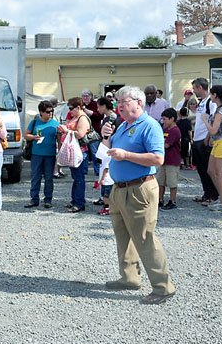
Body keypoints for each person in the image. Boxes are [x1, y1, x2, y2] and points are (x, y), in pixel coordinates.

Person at [100, 85, 176, 305]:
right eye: (118, 103)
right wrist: (106, 138)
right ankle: (130, 278)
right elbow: (110, 152)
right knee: (123, 236)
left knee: (144, 237)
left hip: (139, 188)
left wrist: (126, 155)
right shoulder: (124, 126)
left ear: (139, 102)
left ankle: (163, 287)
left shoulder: (149, 125)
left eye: (124, 102)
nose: (120, 106)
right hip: (119, 189)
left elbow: (157, 159)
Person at [200, 85, 222, 211]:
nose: (210, 96)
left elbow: (214, 130)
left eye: (211, 94)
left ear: (215, 95)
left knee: (220, 174)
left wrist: (205, 121)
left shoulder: (221, 110)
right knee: (211, 171)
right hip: (219, 143)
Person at [24, 100, 60, 209]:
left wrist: (61, 153)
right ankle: (34, 199)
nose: (50, 114)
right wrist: (34, 137)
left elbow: (59, 140)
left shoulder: (55, 123)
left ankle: (48, 200)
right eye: (48, 112)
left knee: (49, 178)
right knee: (35, 177)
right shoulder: (34, 122)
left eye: (52, 111)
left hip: (50, 155)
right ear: (41, 112)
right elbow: (26, 135)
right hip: (36, 154)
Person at [190, 78, 218, 205]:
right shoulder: (202, 103)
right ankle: (206, 193)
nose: (194, 91)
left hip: (204, 141)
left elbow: (212, 120)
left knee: (208, 169)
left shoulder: (210, 103)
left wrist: (208, 138)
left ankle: (213, 195)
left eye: (194, 88)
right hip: (197, 139)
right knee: (201, 169)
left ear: (200, 87)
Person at [63, 97, 91, 213]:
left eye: (71, 108)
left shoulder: (82, 118)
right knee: (75, 177)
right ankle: (75, 200)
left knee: (79, 178)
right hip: (74, 151)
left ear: (78, 107)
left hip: (80, 152)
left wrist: (66, 130)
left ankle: (79, 203)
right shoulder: (75, 117)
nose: (69, 111)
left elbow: (80, 134)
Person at [158, 108, 181, 210]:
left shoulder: (175, 131)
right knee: (160, 181)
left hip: (172, 160)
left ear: (172, 119)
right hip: (163, 160)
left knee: (172, 182)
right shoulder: (165, 129)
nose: (163, 121)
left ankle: (172, 200)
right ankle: (160, 199)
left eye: (165, 119)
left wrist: (158, 143)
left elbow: (166, 145)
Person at [81, 89, 103, 178]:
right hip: (83, 132)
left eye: (87, 96)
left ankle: (97, 170)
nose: (85, 98)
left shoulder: (95, 105)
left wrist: (89, 112)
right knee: (84, 153)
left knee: (95, 152)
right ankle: (84, 170)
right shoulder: (80, 105)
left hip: (94, 133)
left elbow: (100, 116)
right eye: (83, 96)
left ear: (91, 96)